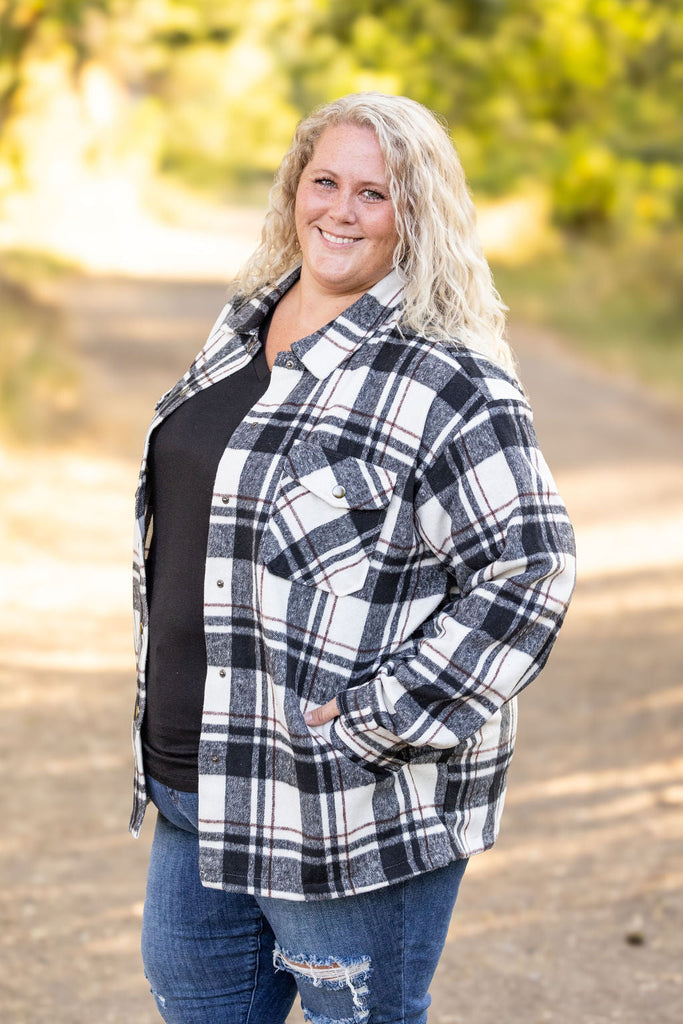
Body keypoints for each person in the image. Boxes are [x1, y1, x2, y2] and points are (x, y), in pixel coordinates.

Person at [130, 92, 576, 1024]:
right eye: (324, 181)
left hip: (343, 807)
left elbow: (529, 572)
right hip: (195, 788)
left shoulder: (449, 380)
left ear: (417, 216)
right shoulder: (239, 332)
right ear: (293, 188)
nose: (340, 210)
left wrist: (378, 723)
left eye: (374, 194)